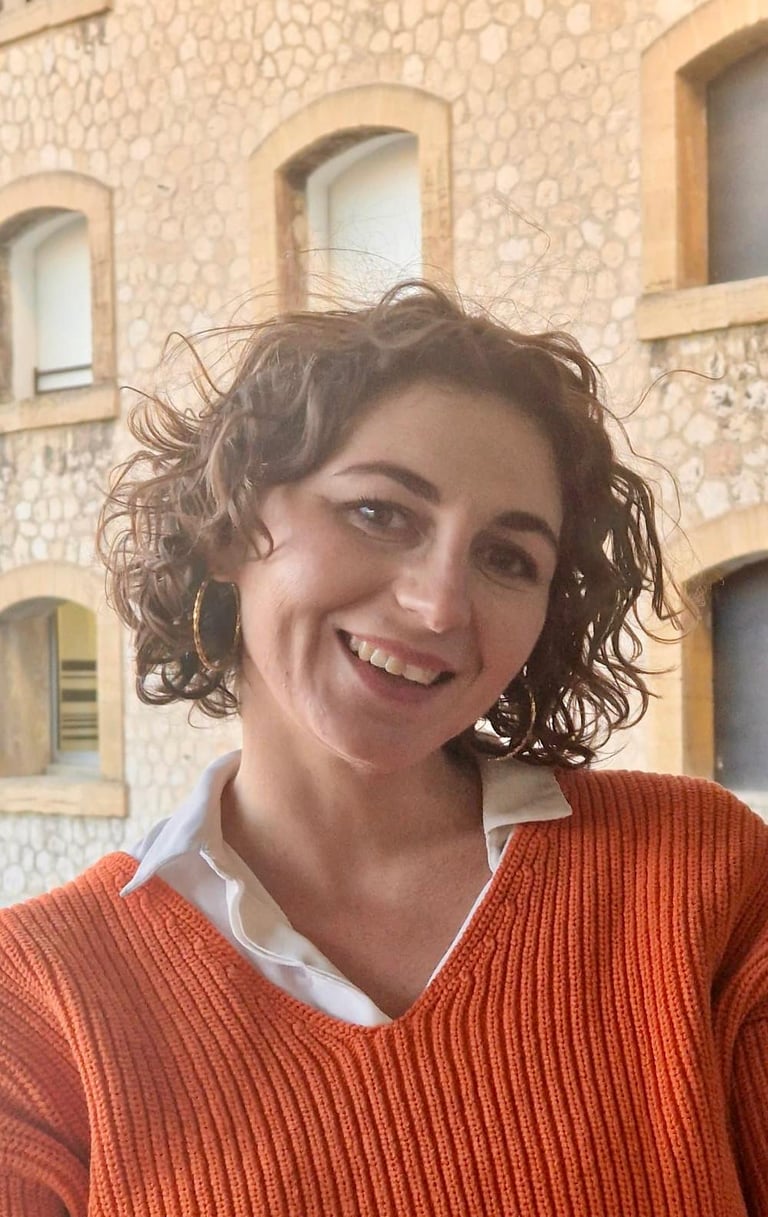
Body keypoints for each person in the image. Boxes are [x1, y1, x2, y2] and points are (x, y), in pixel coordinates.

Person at [1, 282, 766, 1216]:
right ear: (228, 525)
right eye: (379, 512)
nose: (440, 605)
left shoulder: (698, 876)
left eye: (507, 558)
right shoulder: (40, 1001)